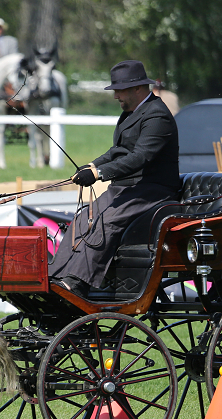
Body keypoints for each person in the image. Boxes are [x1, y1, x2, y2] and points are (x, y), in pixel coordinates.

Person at [49, 60, 180, 296]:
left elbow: (141, 156)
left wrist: (99, 174)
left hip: (152, 190)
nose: (115, 96)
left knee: (105, 222)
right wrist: (92, 166)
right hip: (126, 188)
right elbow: (117, 151)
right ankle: (57, 276)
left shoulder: (157, 116)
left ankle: (77, 282)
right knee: (83, 219)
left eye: (119, 90)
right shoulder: (131, 113)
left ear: (137, 88)